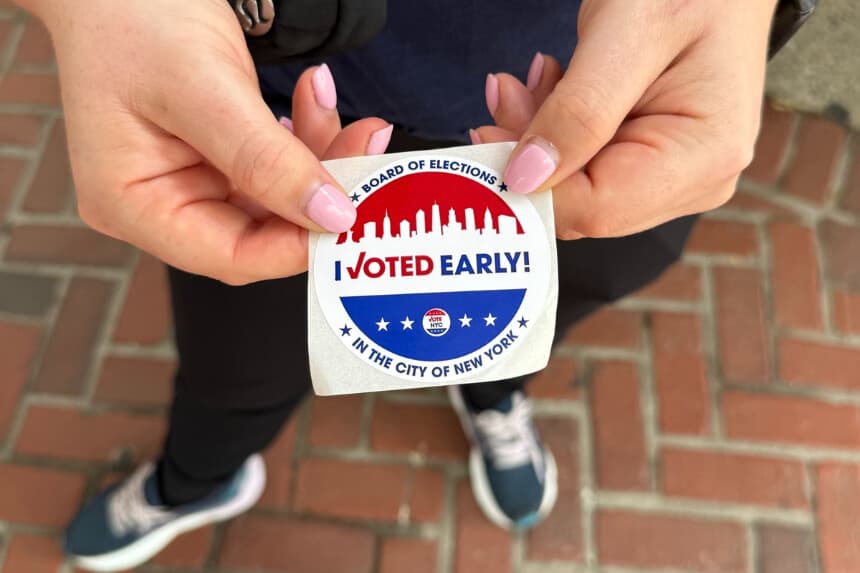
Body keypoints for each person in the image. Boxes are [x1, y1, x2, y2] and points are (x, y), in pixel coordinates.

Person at [12, 0, 794, 570]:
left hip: (596, 99)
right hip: (277, 93)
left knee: (536, 313)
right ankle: (198, 478)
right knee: (237, 361)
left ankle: (493, 396)